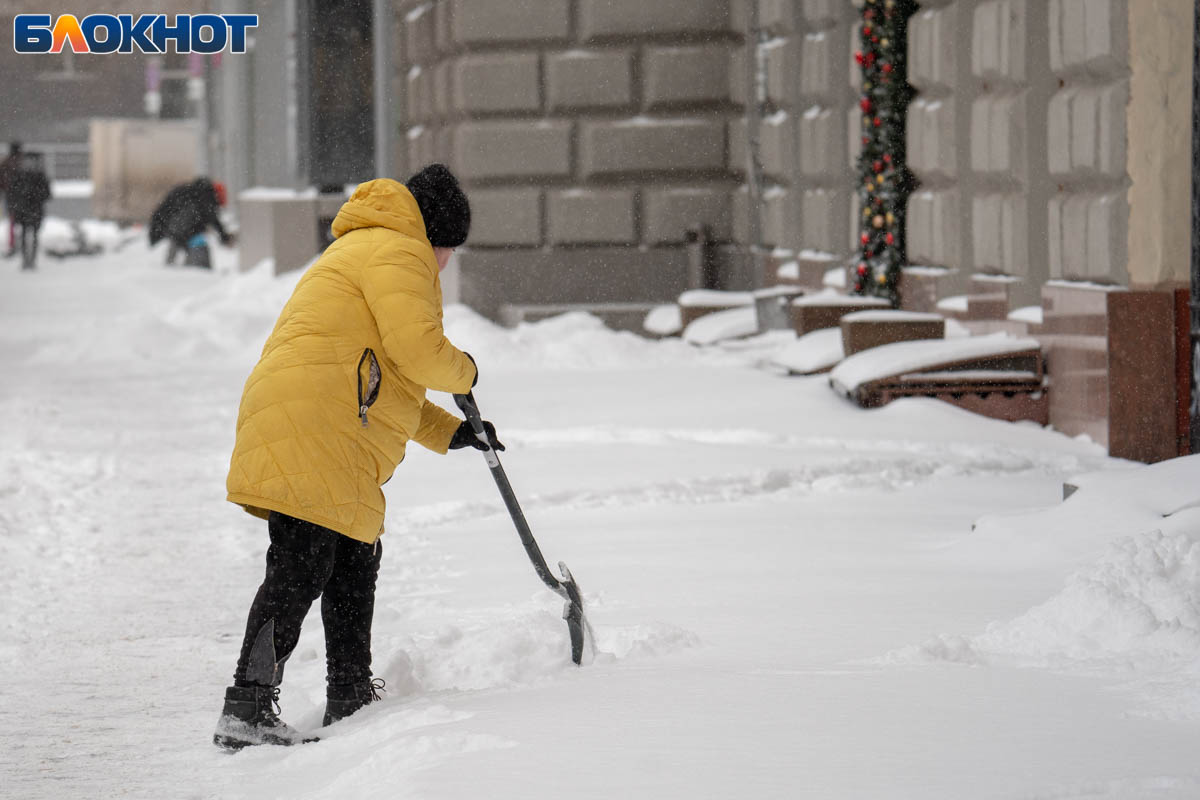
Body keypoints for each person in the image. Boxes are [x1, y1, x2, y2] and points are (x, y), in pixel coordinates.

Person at [214, 164, 505, 750]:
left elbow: (392, 381)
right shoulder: (400, 253)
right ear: (437, 235)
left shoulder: (367, 249)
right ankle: (246, 704)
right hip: (317, 421)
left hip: (321, 417)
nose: (445, 263)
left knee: (352, 555)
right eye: (448, 250)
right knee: (302, 564)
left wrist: (454, 433)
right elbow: (421, 354)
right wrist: (467, 369)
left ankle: (349, 693)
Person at [148, 177, 234, 268]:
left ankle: (172, 271)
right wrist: (224, 237)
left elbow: (163, 211)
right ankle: (193, 271)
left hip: (171, 229)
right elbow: (213, 219)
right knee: (197, 253)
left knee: (175, 254)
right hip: (187, 232)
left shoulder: (186, 192)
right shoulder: (206, 198)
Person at [7, 152, 52, 270]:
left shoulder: (40, 176)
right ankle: (24, 259)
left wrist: (35, 196)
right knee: (23, 234)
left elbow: (47, 194)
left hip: (35, 209)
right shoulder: (18, 176)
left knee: (34, 235)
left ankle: (32, 259)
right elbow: (12, 193)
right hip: (23, 210)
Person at [0, 142, 23, 257]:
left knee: (12, 221)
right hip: (23, 197)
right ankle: (23, 244)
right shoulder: (22, 162)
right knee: (24, 222)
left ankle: (13, 244)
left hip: (10, 197)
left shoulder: (6, 163)